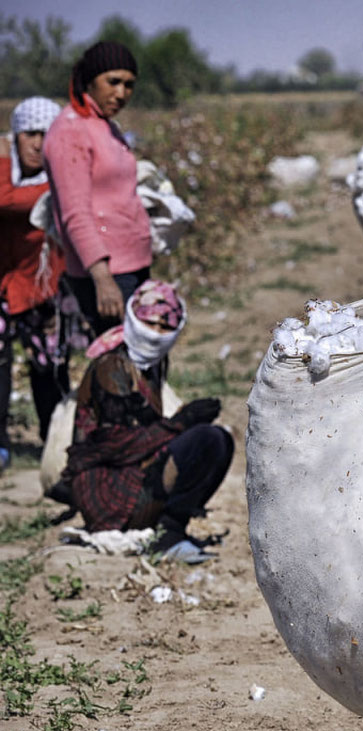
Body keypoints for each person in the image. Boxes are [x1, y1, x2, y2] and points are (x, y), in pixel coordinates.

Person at [61, 280, 232, 563]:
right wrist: (181, 423)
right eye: (149, 324)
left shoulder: (153, 364)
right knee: (205, 439)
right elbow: (112, 446)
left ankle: (170, 529)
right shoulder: (112, 366)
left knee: (218, 440)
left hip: (134, 469)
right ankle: (166, 536)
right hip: (103, 488)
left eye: (165, 328)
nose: (155, 334)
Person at [43, 40, 152, 337]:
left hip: (131, 265)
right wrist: (102, 278)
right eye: (113, 82)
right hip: (107, 272)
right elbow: (74, 213)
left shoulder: (105, 126)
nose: (122, 93)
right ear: (89, 80)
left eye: (129, 85)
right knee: (119, 357)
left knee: (140, 355)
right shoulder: (70, 131)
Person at [0, 96, 69, 469]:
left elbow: (9, 200)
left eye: (48, 135)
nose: (39, 144)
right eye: (30, 134)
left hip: (43, 289)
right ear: (16, 136)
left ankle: (55, 441)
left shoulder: (60, 179)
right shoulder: (7, 171)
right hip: (4, 285)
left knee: (49, 367)